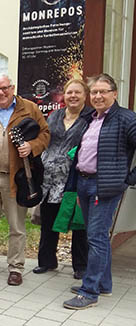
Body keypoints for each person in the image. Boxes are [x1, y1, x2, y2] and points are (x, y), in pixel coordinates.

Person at [63, 73, 136, 310]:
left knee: (95, 237)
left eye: (103, 91)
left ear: (114, 94)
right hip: (84, 182)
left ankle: (89, 292)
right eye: (94, 92)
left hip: (104, 186)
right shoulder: (91, 119)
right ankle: (104, 284)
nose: (98, 96)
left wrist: (128, 179)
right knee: (97, 236)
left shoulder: (126, 118)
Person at [0, 74, 50, 286]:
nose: (1, 93)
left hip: (16, 177)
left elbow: (45, 133)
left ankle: (15, 267)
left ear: (12, 87)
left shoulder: (29, 108)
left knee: (16, 225)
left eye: (5, 88)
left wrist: (32, 147)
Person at [33, 79, 91, 279]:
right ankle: (47, 261)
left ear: (85, 96)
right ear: (64, 96)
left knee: (78, 224)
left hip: (74, 178)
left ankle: (80, 266)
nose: (73, 96)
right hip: (49, 178)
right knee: (48, 220)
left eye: (77, 92)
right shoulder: (54, 115)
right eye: (69, 93)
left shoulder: (91, 118)